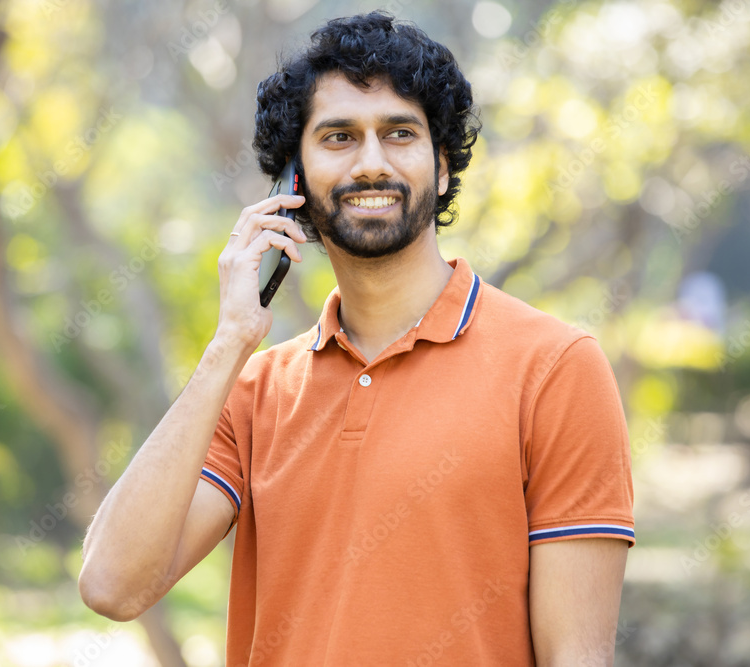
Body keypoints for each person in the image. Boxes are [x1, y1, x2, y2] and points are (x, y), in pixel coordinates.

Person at [79, 11, 635, 666]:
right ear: (293, 184)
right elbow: (112, 584)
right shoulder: (252, 390)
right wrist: (229, 342)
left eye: (400, 133)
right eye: (339, 137)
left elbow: (578, 655)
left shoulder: (557, 367)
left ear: (444, 167)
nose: (371, 162)